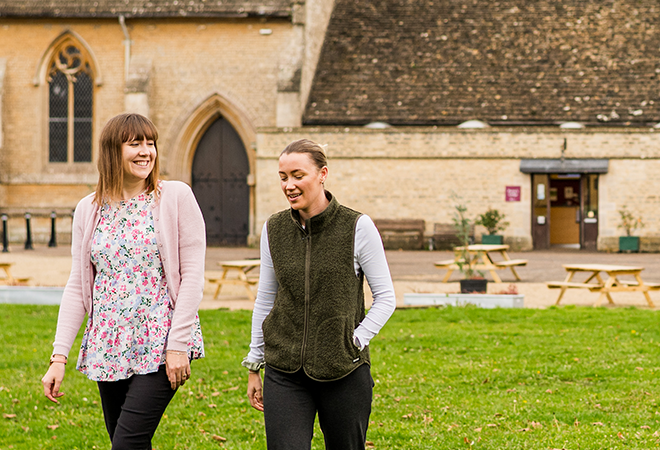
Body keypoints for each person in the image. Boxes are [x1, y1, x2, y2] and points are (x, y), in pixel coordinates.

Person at [41, 113, 208, 449]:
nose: (146, 152)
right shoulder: (89, 208)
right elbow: (78, 284)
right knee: (126, 440)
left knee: (127, 443)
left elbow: (193, 276)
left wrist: (178, 345)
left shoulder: (174, 197)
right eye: (135, 144)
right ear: (112, 152)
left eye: (150, 143)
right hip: (108, 343)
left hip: (160, 341)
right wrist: (58, 358)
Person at [243, 139, 397, 450]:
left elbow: (386, 298)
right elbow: (265, 298)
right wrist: (254, 362)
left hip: (343, 370)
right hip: (284, 369)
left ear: (322, 174)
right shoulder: (274, 228)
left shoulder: (357, 226)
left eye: (298, 175)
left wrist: (354, 339)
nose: (289, 185)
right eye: (283, 177)